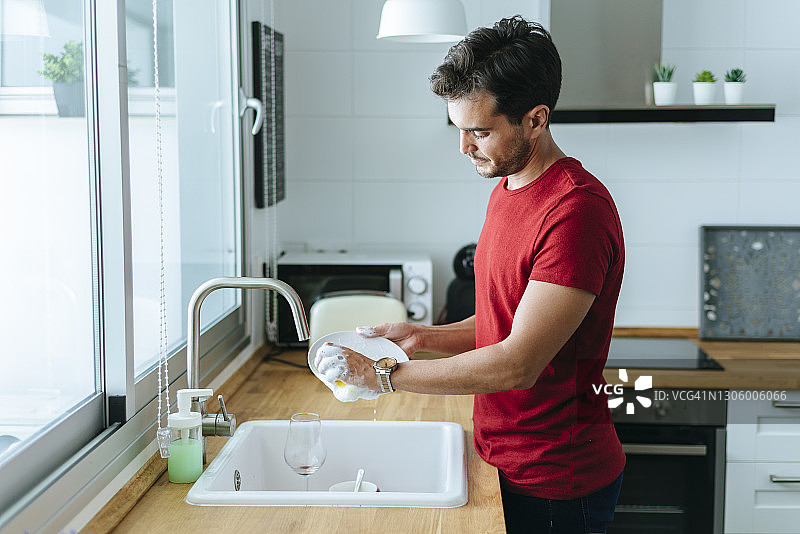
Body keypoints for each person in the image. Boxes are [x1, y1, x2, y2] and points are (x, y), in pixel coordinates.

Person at [325, 15, 625, 534]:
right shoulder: (507, 190)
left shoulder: (575, 211)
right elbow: (503, 321)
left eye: (479, 132)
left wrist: (383, 377)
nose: (463, 148)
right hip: (501, 458)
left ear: (535, 119)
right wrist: (422, 336)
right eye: (458, 129)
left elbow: (517, 364)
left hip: (556, 480)